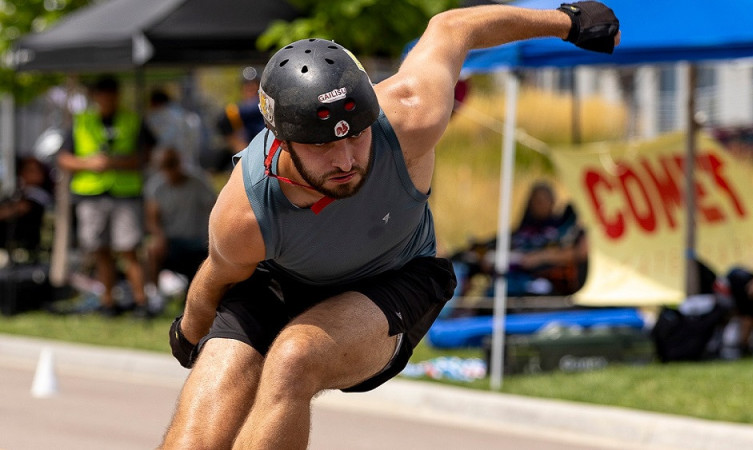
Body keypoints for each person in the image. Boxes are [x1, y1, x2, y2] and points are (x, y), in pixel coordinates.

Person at [161, 2, 620, 448]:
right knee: (200, 422)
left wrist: (567, 20)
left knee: (294, 358)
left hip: (393, 279)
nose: (346, 161)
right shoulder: (245, 212)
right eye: (322, 145)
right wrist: (189, 334)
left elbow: (453, 28)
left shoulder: (411, 114)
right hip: (280, 281)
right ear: (282, 140)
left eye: (357, 135)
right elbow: (217, 276)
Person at [56, 75, 156, 318]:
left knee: (129, 248)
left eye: (111, 94)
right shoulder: (82, 121)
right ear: (95, 96)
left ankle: (140, 302)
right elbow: (63, 158)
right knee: (100, 250)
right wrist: (90, 163)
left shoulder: (132, 120)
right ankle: (107, 302)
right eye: (102, 94)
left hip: (125, 193)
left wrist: (115, 163)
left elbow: (146, 156)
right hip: (91, 194)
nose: (107, 99)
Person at [450, 181, 588, 305]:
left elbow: (576, 253)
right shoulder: (524, 230)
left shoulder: (561, 230)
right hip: (508, 275)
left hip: (538, 283)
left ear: (553, 202)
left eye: (542, 200)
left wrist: (540, 257)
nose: (538, 205)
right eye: (535, 200)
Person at [144, 148, 216, 304]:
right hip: (170, 241)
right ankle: (154, 297)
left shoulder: (198, 182)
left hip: (198, 241)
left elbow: (215, 209)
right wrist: (159, 237)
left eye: (172, 165)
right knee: (151, 249)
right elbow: (152, 219)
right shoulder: (156, 186)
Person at [0, 157, 54, 259]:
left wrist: (9, 209)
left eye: (36, 171)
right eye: (29, 170)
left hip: (29, 249)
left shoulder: (40, 195)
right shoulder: (18, 192)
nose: (34, 174)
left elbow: (23, 207)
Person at [146, 88, 204, 175]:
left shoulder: (156, 117)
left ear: (155, 103)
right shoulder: (186, 116)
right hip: (189, 166)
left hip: (167, 168)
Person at [216, 66, 266, 155]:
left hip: (267, 150)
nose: (250, 87)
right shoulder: (240, 109)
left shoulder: (264, 105)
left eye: (254, 84)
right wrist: (239, 146)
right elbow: (222, 121)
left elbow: (229, 113)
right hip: (251, 152)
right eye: (247, 84)